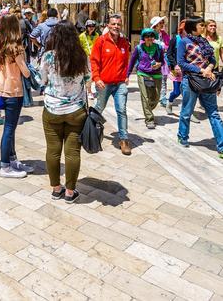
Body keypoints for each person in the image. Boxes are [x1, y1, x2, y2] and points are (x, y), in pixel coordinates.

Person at [39, 22, 91, 202]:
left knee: (53, 151)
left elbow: (42, 80)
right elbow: (87, 78)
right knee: (72, 152)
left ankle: (56, 188)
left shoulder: (48, 57)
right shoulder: (82, 57)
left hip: (52, 109)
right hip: (76, 110)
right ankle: (70, 192)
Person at [177, 17, 223, 159]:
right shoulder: (184, 42)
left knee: (214, 113)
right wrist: (200, 70)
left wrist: (209, 68)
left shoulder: (205, 42)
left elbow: (213, 60)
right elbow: (181, 62)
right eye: (201, 25)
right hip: (190, 81)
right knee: (187, 111)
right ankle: (182, 135)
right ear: (193, 27)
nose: (203, 27)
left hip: (206, 81)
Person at [0, 13, 33, 178]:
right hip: (13, 91)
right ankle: (5, 166)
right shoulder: (16, 49)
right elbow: (25, 72)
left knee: (8, 128)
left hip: (1, 90)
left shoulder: (0, 46)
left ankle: (12, 159)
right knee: (9, 129)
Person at [90, 14, 132, 155]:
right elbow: (94, 61)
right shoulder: (101, 41)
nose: (116, 27)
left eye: (118, 24)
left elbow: (127, 60)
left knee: (121, 110)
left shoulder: (124, 42)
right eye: (113, 24)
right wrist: (96, 78)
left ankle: (124, 139)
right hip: (104, 83)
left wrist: (126, 75)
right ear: (108, 25)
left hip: (119, 83)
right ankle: (89, 131)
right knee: (99, 107)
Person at [128, 28, 165, 129]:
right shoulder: (139, 48)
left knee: (156, 98)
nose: (149, 38)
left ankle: (147, 109)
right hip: (142, 73)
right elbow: (132, 61)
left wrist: (159, 64)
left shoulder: (159, 48)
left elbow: (163, 61)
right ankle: (149, 119)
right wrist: (128, 75)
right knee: (145, 97)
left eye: (151, 36)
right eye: (147, 36)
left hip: (156, 75)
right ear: (144, 38)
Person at [165, 20, 186, 113]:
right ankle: (169, 102)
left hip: (186, 70)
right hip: (175, 69)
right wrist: (175, 65)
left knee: (186, 92)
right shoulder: (174, 39)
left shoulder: (191, 40)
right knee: (177, 91)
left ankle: (187, 111)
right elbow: (169, 54)